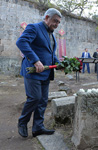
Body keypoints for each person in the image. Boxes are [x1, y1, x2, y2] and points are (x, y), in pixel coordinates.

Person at [16, 8, 62, 138]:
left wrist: (59, 63)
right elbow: (21, 42)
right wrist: (35, 60)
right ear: (47, 17)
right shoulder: (34, 27)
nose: (56, 25)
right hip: (33, 71)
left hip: (46, 73)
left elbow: (51, 53)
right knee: (34, 98)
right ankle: (22, 122)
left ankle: (38, 127)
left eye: (58, 22)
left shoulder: (52, 34)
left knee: (42, 101)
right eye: (55, 21)